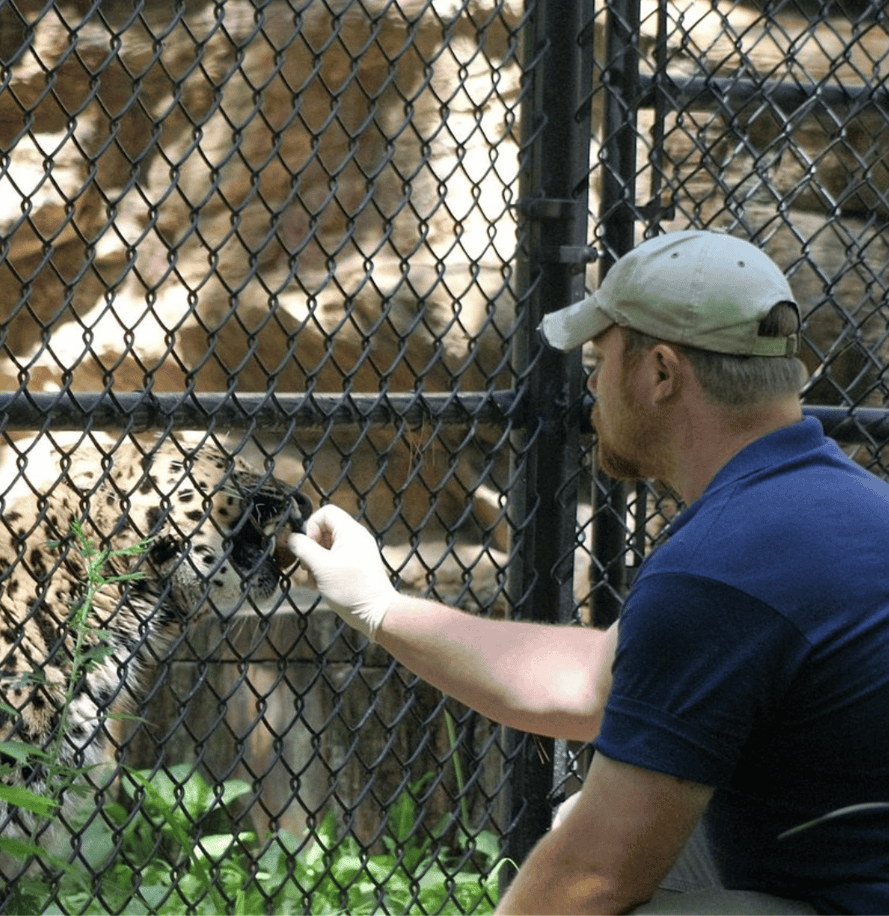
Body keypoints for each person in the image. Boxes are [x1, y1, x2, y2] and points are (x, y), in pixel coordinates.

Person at [287, 230, 889, 914]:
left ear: (661, 373)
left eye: (601, 360)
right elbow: (594, 681)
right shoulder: (846, 504)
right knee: (589, 817)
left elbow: (593, 878)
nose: (592, 384)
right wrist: (380, 606)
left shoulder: (723, 566)